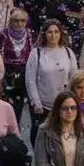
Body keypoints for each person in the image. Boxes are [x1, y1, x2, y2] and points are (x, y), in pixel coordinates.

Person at [25, 20, 79, 148]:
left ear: (60, 34)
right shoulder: (36, 53)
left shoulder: (68, 52)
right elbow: (30, 80)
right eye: (50, 32)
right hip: (42, 106)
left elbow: (74, 77)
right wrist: (36, 102)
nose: (53, 35)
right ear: (44, 34)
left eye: (56, 32)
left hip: (63, 105)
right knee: (41, 140)